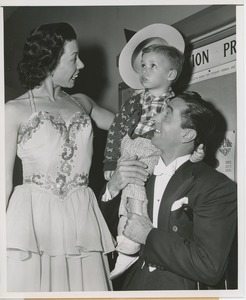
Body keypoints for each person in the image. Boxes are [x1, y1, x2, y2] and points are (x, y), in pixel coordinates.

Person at [5, 22, 117, 292]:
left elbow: (127, 126)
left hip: (81, 218)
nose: (81, 65)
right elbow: (3, 184)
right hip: (35, 221)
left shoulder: (82, 102)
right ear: (49, 61)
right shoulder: (13, 110)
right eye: (74, 58)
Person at [105, 91, 237, 290]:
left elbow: (209, 266)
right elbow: (99, 231)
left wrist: (148, 236)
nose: (156, 117)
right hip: (133, 286)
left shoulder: (216, 187)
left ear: (187, 134)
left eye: (167, 114)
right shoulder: (138, 166)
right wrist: (112, 187)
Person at [102, 24, 204, 280]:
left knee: (134, 183)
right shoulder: (133, 103)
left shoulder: (179, 105)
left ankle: (127, 244)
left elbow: (190, 134)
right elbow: (115, 130)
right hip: (131, 146)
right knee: (128, 184)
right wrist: (110, 161)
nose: (143, 71)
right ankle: (125, 240)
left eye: (152, 66)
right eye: (142, 65)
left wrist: (195, 154)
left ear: (171, 74)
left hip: (151, 149)